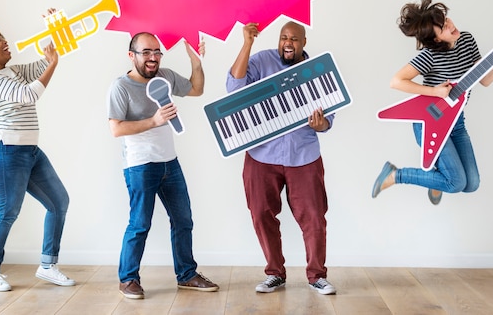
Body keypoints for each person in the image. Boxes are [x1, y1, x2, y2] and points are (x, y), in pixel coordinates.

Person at [372, 0, 493, 205]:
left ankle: (435, 181)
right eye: (444, 27)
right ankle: (395, 174)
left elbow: (485, 79)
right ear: (436, 39)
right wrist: (434, 91)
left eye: (447, 20)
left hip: (456, 121)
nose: (451, 25)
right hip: (430, 122)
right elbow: (396, 81)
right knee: (455, 183)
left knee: (471, 184)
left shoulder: (467, 40)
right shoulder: (430, 55)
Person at [226, 21, 337, 295]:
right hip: (261, 154)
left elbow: (329, 120)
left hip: (304, 155)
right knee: (261, 214)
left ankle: (316, 276)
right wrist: (247, 43)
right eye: (284, 38)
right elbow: (233, 86)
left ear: (304, 43)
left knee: (314, 217)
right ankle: (275, 273)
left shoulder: (318, 71)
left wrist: (319, 124)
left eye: (294, 39)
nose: (288, 43)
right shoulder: (262, 60)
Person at [0, 21, 75, 292]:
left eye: (2, 36)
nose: (5, 42)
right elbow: (28, 95)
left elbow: (44, 62)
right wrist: (53, 66)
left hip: (29, 151)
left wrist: (56, 26)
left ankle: (47, 265)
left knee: (59, 201)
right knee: (7, 212)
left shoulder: (12, 71)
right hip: (5, 152)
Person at [107, 32, 219, 299]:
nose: (153, 58)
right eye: (146, 52)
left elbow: (196, 89)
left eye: (157, 52)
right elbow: (116, 129)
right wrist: (154, 121)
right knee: (139, 224)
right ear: (131, 55)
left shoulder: (165, 77)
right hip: (140, 165)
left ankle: (187, 275)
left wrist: (195, 59)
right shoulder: (120, 87)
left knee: (183, 220)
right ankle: (128, 279)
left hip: (170, 162)